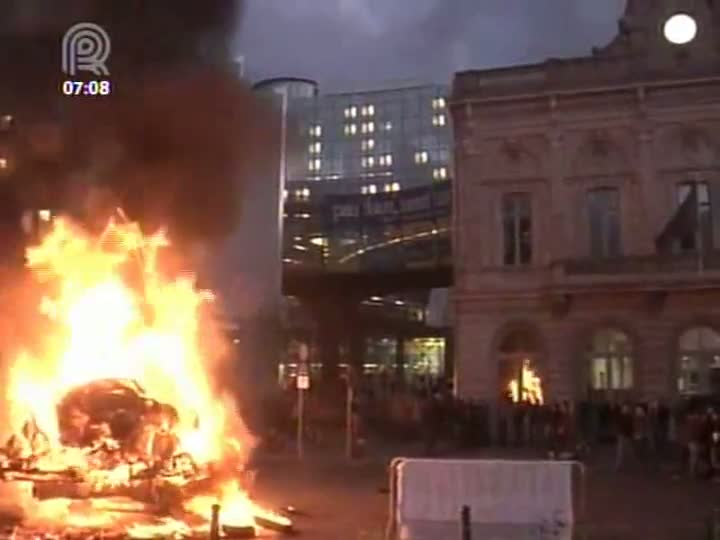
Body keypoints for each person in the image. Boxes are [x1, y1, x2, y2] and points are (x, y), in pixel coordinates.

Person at [615, 404, 634, 471]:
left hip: (627, 435)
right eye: (624, 408)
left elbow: (631, 427)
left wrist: (631, 434)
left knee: (628, 451)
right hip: (622, 435)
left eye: (626, 408)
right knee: (620, 451)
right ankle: (618, 466)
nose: (625, 409)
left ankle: (629, 465)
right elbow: (618, 425)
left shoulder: (629, 417)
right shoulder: (620, 416)